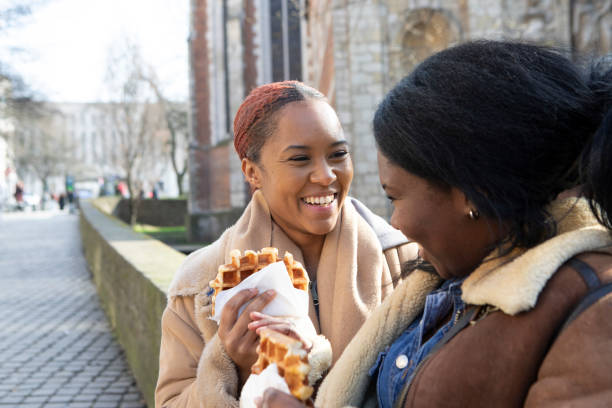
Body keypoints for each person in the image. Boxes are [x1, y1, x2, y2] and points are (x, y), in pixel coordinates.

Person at [259, 41, 612, 407]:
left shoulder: (596, 311)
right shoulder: (443, 284)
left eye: (395, 197)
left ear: (471, 192)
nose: (395, 223)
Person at [155, 81, 417, 407]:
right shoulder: (199, 285)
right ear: (252, 172)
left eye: (338, 154)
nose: (325, 176)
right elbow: (170, 402)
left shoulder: (408, 261)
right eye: (300, 159)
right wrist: (231, 366)